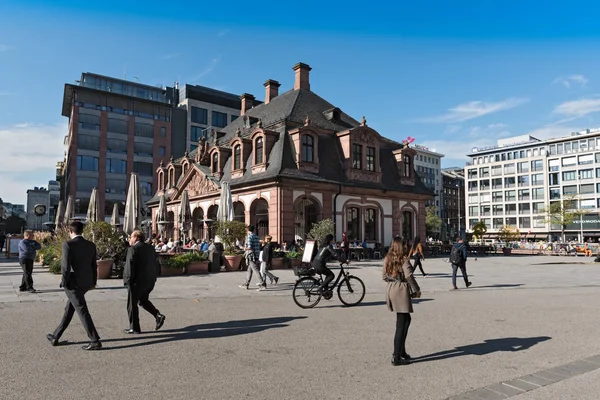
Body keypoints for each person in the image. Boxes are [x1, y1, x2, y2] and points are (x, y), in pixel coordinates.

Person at [47, 221, 102, 350]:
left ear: (70, 231)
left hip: (73, 283)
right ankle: (56, 335)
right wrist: (93, 282)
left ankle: (94, 340)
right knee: (70, 308)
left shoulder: (68, 244)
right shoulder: (91, 245)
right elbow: (94, 265)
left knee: (82, 310)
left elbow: (65, 266)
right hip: (86, 282)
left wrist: (64, 282)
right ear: (82, 231)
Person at [383, 237, 421, 366]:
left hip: (391, 289)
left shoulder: (388, 258)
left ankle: (401, 350)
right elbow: (409, 276)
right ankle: (396, 356)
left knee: (405, 320)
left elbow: (384, 276)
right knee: (401, 323)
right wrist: (417, 289)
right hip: (400, 290)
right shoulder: (404, 260)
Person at [123, 230, 166, 334]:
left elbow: (129, 266)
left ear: (137, 238)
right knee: (142, 300)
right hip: (150, 280)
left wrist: (127, 281)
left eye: (131, 237)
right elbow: (155, 263)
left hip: (136, 281)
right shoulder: (150, 248)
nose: (130, 239)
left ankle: (134, 327)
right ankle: (158, 315)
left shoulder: (133, 249)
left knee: (132, 305)